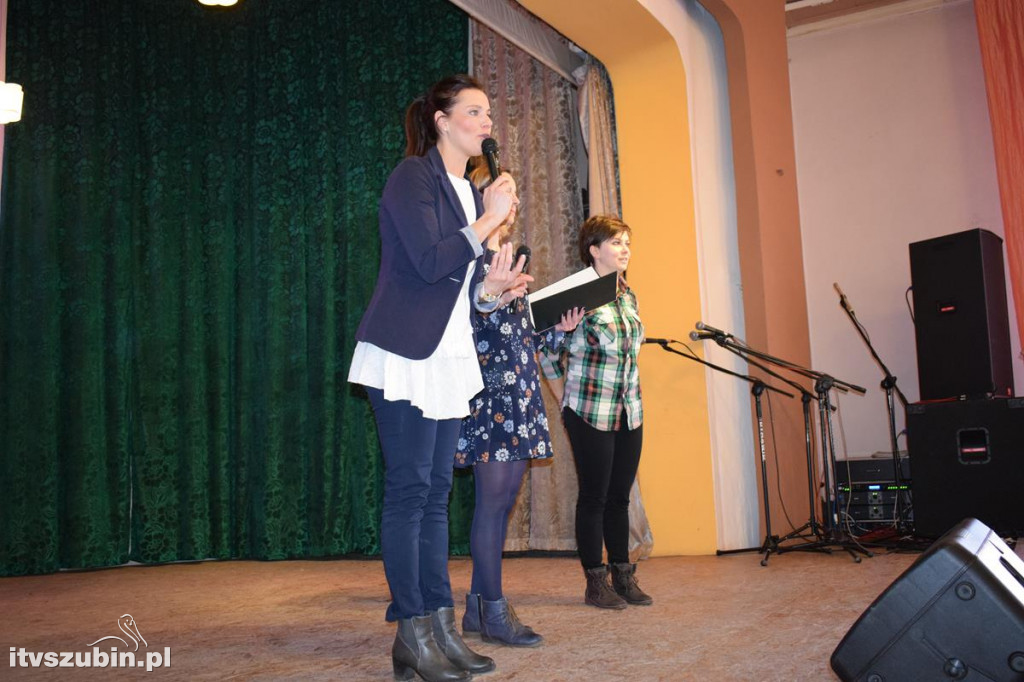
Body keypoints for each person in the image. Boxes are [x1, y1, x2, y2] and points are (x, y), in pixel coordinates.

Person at [348, 74, 531, 682]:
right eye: (474, 111)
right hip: (403, 353)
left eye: (488, 112)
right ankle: (412, 631)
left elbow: (466, 292)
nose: (487, 122)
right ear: (442, 121)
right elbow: (429, 263)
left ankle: (441, 627)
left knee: (435, 496)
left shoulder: (469, 193)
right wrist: (489, 220)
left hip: (450, 356)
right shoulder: (413, 177)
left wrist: (495, 290)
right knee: (409, 491)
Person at [454, 166, 584, 648]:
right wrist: (494, 293)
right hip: (491, 396)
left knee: (504, 502)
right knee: (492, 504)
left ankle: (476, 607)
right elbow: (471, 315)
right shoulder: (470, 255)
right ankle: (493, 610)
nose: (514, 198)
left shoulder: (507, 256)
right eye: (504, 189)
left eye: (515, 190)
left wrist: (558, 329)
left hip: (521, 394)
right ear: (481, 196)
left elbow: (520, 334)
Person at [538, 214, 653, 610]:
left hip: (629, 409)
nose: (625, 250)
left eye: (627, 242)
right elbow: (547, 353)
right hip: (589, 410)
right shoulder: (577, 296)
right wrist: (563, 399)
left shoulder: (628, 295)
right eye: (616, 242)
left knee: (620, 497)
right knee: (594, 497)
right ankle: (595, 582)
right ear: (594, 250)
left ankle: (623, 575)